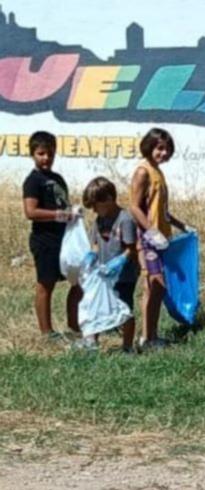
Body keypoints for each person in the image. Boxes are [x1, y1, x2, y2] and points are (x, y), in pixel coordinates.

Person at [129, 128, 189, 351]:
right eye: (159, 148)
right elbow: (134, 207)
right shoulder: (143, 172)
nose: (163, 153)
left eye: (166, 149)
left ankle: (151, 335)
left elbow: (161, 209)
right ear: (149, 146)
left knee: (157, 288)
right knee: (156, 285)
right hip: (148, 239)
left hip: (163, 237)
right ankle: (147, 338)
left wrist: (181, 225)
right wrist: (151, 233)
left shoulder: (158, 172)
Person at [21, 131, 82, 342]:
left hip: (63, 239)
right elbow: (30, 211)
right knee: (46, 284)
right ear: (33, 154)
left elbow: (63, 204)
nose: (46, 158)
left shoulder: (57, 178)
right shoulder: (33, 181)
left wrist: (73, 213)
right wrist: (58, 215)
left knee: (78, 280)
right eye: (41, 153)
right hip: (44, 239)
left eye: (50, 153)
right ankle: (47, 332)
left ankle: (74, 325)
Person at [71, 177, 139, 353]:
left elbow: (131, 248)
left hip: (123, 275)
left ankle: (127, 346)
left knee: (124, 309)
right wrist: (91, 256)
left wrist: (120, 261)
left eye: (95, 205)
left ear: (108, 199)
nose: (93, 210)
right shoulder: (99, 221)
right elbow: (95, 243)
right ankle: (92, 342)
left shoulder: (125, 220)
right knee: (96, 306)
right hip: (102, 274)